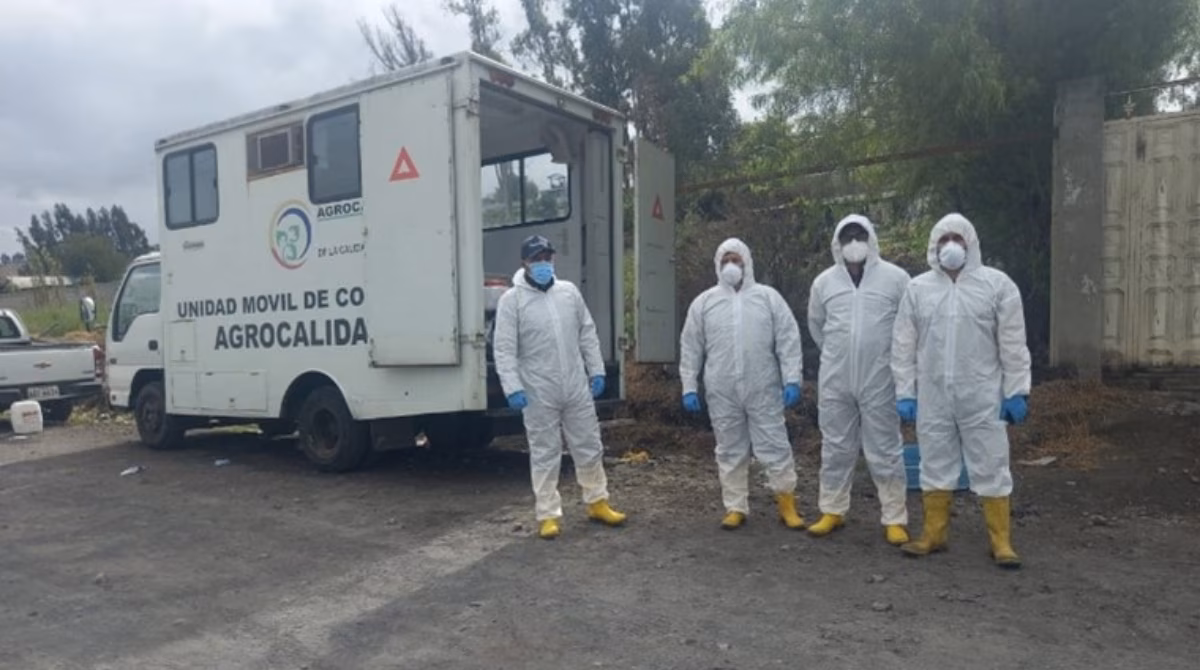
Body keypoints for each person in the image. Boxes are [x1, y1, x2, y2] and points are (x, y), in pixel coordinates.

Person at [891, 213, 1031, 569]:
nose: (950, 246)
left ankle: (1001, 540)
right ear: (933, 246)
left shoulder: (997, 285)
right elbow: (903, 344)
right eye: (943, 239)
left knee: (991, 461)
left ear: (971, 244)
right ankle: (934, 534)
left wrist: (1017, 390)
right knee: (934, 461)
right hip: (934, 395)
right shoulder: (918, 289)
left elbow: (1013, 341)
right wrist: (906, 392)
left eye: (958, 238)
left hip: (983, 394)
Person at [493, 234, 627, 540]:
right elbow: (504, 348)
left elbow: (586, 333)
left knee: (589, 444)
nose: (542, 263)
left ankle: (598, 501)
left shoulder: (568, 293)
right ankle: (548, 514)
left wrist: (595, 370)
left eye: (547, 257)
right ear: (524, 262)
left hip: (575, 385)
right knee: (545, 451)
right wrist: (512, 386)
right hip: (538, 389)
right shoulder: (512, 301)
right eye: (536, 258)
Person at [679, 238, 806, 530]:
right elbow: (691, 346)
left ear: (747, 262)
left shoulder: (767, 297)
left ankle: (787, 503)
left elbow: (788, 338)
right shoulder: (705, 302)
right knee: (729, 448)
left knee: (774, 443)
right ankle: (736, 507)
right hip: (722, 390)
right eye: (725, 261)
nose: (731, 266)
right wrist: (688, 385)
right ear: (717, 265)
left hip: (763, 387)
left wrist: (792, 378)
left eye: (736, 260)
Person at [806, 214, 911, 545]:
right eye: (847, 236)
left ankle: (894, 517)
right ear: (837, 242)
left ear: (872, 238)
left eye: (860, 235)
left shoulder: (896, 279)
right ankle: (832, 510)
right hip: (836, 378)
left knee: (885, 448)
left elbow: (908, 326)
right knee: (836, 447)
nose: (854, 243)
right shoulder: (824, 283)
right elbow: (817, 325)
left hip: (880, 377)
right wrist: (840, 354)